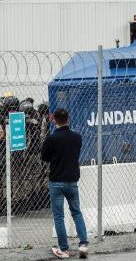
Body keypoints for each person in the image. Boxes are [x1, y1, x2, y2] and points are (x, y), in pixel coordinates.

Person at [40, 108, 88, 259]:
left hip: (56, 182)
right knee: (76, 212)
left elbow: (44, 158)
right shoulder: (77, 137)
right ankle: (83, 245)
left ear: (53, 119)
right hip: (72, 180)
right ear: (68, 119)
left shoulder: (51, 139)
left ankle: (64, 249)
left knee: (59, 216)